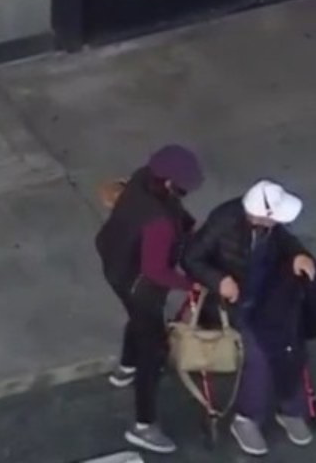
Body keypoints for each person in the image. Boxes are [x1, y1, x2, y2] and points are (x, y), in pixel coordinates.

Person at [181, 179, 316, 456]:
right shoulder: (223, 221)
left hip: (266, 295)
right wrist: (220, 280)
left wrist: (299, 256)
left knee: (292, 343)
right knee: (260, 355)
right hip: (229, 304)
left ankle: (291, 408)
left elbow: (287, 242)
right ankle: (246, 418)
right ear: (261, 214)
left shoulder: (270, 228)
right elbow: (191, 258)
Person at [94, 145, 205, 455]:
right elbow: (156, 271)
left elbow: (176, 212)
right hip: (140, 283)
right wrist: (191, 284)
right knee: (153, 349)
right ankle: (144, 425)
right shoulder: (157, 223)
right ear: (169, 182)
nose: (185, 190)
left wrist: (188, 226)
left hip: (116, 264)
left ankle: (125, 368)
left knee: (140, 319)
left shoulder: (143, 179)